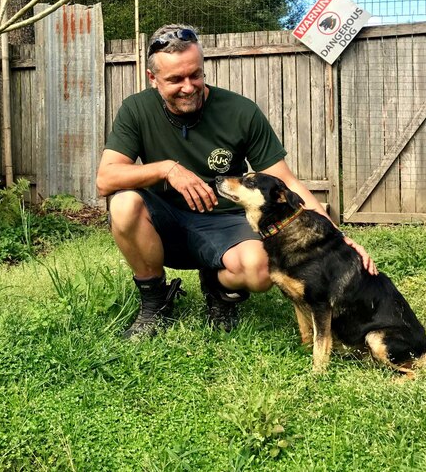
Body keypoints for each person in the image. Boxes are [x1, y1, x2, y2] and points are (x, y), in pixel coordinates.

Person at [96, 24, 376, 338]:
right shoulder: (137, 108)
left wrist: (338, 239)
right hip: (165, 222)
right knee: (123, 203)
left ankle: (217, 287)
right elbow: (106, 179)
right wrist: (166, 169)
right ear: (153, 79)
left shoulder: (240, 111)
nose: (189, 87)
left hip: (225, 222)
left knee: (259, 271)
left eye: (196, 75)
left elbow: (285, 181)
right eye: (175, 79)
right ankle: (155, 303)